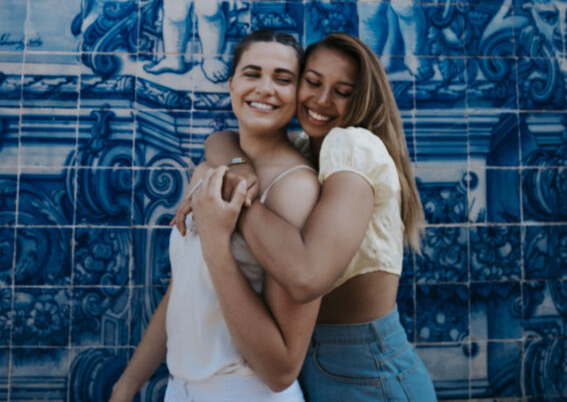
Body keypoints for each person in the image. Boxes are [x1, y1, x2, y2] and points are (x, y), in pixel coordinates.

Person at [181, 32, 436, 400]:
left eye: (342, 91)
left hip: (368, 370)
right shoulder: (308, 148)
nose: (321, 99)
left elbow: (305, 276)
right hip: (319, 367)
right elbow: (220, 139)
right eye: (313, 83)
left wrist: (228, 202)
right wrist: (235, 165)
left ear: (362, 99)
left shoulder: (353, 144)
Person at [111, 30, 321, 402]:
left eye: (283, 79)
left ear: (298, 95)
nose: (265, 88)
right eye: (252, 74)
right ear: (232, 85)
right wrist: (126, 386)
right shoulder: (210, 167)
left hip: (246, 391)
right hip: (181, 389)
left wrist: (215, 242)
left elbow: (279, 369)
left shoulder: (295, 188)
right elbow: (186, 289)